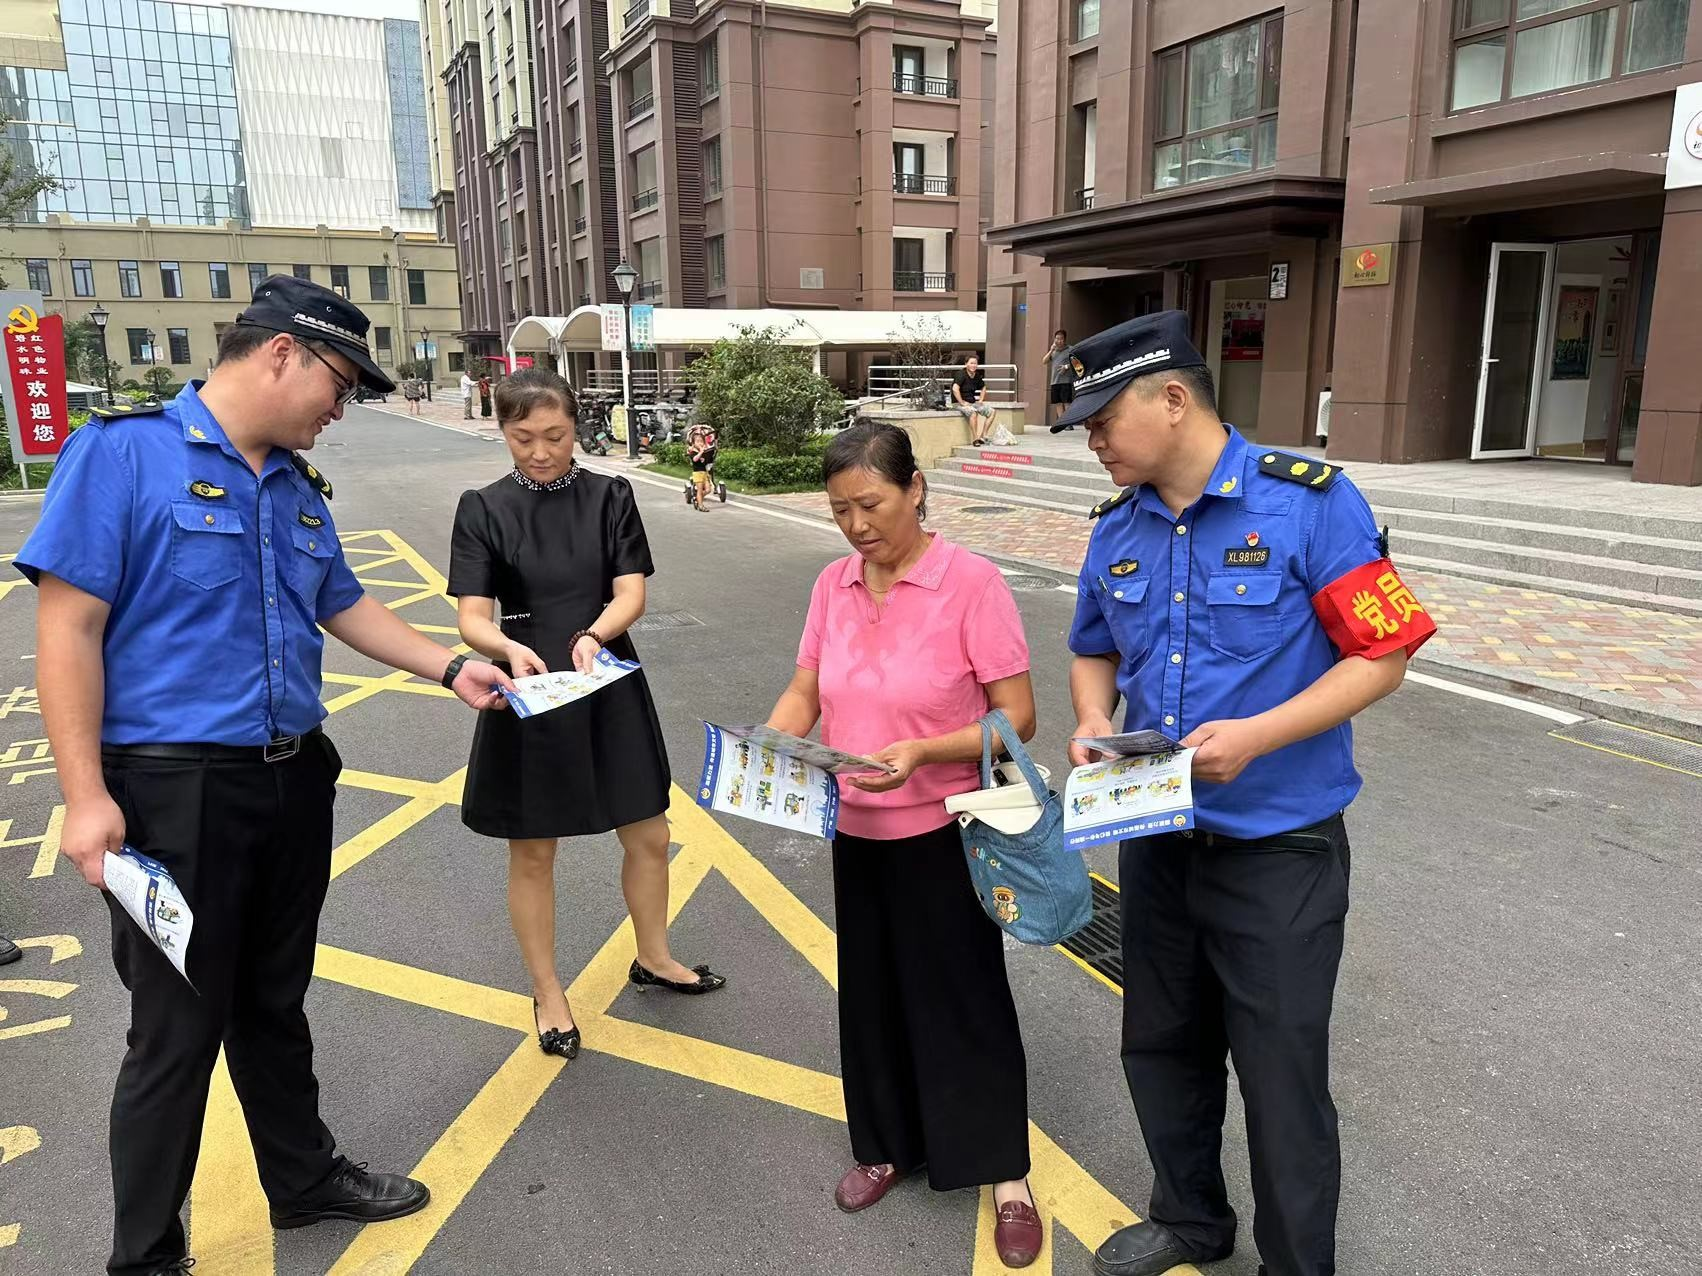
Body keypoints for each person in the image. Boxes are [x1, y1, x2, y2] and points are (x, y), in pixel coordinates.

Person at [14, 274, 517, 1276]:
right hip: (174, 793)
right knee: (176, 1029)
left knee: (274, 1001)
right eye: (341, 385)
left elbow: (342, 601)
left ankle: (301, 1179)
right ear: (283, 352)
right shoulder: (122, 455)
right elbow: (68, 632)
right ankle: (145, 1254)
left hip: (293, 779)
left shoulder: (293, 485)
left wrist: (451, 666)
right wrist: (84, 798)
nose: (342, 408)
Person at [1057, 312, 1436, 1276]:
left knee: (1280, 1077)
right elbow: (1094, 645)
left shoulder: (1311, 503)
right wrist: (1094, 716)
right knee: (1161, 1046)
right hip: (1156, 836)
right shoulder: (1117, 526)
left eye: (1102, 419)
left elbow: (1384, 654)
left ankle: (1296, 1265)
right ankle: (1189, 1220)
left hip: (1279, 851)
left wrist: (1259, 736)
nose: (1092, 440)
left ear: (1171, 399)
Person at [763, 422, 1044, 1269]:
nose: (857, 525)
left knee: (963, 999)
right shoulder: (833, 583)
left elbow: (1018, 717)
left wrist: (924, 752)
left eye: (872, 504)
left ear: (915, 489)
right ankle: (885, 1144)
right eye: (840, 510)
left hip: (947, 830)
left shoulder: (972, 584)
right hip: (856, 829)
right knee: (873, 995)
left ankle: (1005, 1174)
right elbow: (807, 690)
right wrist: (768, 745)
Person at [449, 368, 724, 1062]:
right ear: (502, 430)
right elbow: (472, 617)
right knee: (533, 849)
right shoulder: (483, 507)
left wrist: (595, 635)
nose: (541, 452)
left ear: (577, 427)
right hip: (529, 684)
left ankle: (654, 956)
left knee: (650, 832)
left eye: (556, 435)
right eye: (523, 438)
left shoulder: (610, 496)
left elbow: (630, 593)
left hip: (602, 671)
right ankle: (548, 992)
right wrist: (505, 648)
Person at [952, 354, 998, 447]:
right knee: (973, 413)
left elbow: (983, 387)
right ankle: (975, 439)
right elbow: (955, 389)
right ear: (966, 364)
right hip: (958, 403)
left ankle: (983, 436)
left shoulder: (976, 375)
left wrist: (980, 400)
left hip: (972, 402)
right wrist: (962, 402)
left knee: (992, 412)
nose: (973, 365)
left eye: (975, 363)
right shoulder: (961, 374)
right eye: (971, 363)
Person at [1043, 329, 1075, 427]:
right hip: (1054, 381)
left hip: (1066, 381)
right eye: (1057, 338)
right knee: (1058, 402)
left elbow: (1077, 362)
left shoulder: (1070, 349)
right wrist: (1051, 350)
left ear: (1064, 340)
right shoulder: (1053, 351)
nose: (1059, 341)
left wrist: (1066, 367)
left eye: (1061, 339)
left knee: (1067, 402)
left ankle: (1068, 422)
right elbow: (1044, 361)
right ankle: (1062, 423)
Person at [685, 421, 717, 512]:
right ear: (693, 443)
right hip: (698, 473)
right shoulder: (693, 451)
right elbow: (695, 459)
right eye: (698, 441)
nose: (700, 443)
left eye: (702, 441)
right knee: (699, 490)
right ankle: (701, 505)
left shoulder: (703, 452)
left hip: (704, 473)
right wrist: (700, 452)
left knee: (708, 489)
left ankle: (697, 499)